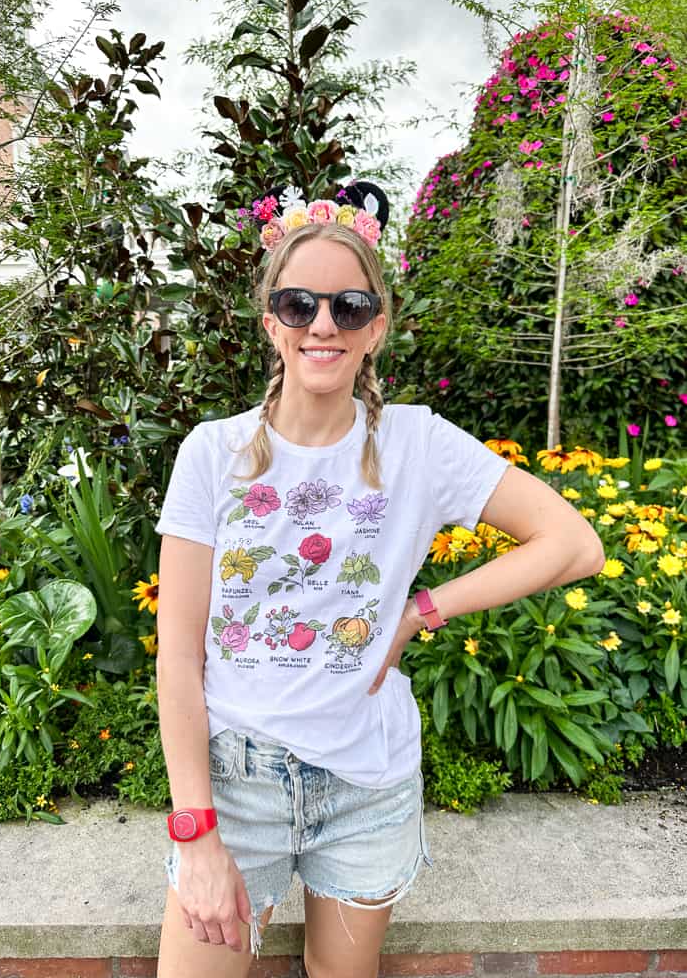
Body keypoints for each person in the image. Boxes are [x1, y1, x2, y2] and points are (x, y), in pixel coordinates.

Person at [154, 181, 605, 978]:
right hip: (234, 781)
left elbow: (572, 543)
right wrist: (198, 832)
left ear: (377, 327)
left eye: (349, 308)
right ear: (272, 324)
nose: (323, 325)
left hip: (365, 783)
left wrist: (419, 611)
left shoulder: (418, 444)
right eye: (299, 305)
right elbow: (177, 658)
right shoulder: (211, 453)